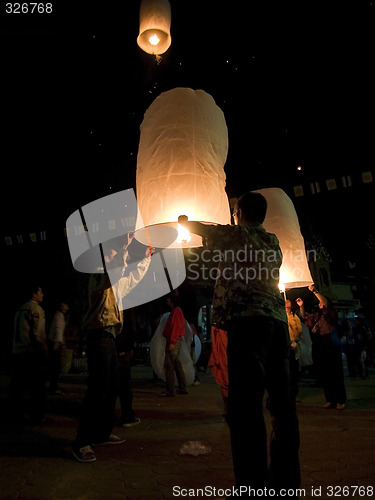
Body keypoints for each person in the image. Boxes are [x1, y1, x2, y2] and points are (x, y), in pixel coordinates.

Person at [178, 191, 300, 495]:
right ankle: (286, 482)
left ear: (240, 212)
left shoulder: (237, 234)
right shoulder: (272, 241)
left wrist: (182, 221)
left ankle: (253, 485)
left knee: (245, 410)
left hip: (248, 326)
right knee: (282, 408)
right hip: (277, 327)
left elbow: (204, 230)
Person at [72, 233, 152, 463]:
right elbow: (116, 272)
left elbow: (130, 278)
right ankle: (82, 442)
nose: (113, 256)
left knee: (112, 386)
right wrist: (123, 249)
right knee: (97, 389)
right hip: (98, 336)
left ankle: (101, 433)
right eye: (110, 252)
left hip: (110, 337)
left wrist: (145, 259)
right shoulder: (95, 275)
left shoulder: (113, 281)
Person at [296, 285, 346, 410]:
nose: (319, 303)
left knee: (336, 372)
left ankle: (340, 400)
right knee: (325, 372)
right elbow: (305, 317)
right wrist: (301, 306)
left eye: (321, 302)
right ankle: (330, 399)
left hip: (332, 342)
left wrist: (315, 291)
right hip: (320, 343)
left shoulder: (329, 313)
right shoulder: (317, 315)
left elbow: (325, 303)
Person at [9, 282, 49, 425]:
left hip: (17, 352)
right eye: (40, 292)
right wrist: (44, 351)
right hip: (31, 353)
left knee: (18, 387)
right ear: (34, 294)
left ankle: (16, 414)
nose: (42, 294)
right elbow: (37, 335)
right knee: (37, 387)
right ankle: (37, 416)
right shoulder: (36, 309)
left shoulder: (20, 309)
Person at [159, 291, 188, 397]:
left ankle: (171, 390)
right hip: (176, 340)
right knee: (176, 364)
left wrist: (172, 342)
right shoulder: (176, 311)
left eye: (168, 298)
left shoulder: (176, 311)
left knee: (169, 365)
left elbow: (175, 328)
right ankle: (182, 388)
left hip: (174, 341)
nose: (167, 300)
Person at [115, 308, 141, 427]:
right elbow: (131, 328)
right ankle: (127, 416)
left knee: (113, 385)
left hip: (113, 347)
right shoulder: (125, 308)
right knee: (124, 385)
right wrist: (129, 347)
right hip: (121, 349)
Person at [48, 301, 69, 395]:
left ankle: (53, 386)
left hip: (56, 342)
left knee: (55, 367)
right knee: (55, 367)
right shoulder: (59, 316)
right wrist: (58, 343)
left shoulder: (60, 316)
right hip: (55, 343)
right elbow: (58, 330)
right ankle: (53, 387)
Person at [285, 299, 303, 402]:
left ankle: (294, 394)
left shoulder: (294, 317)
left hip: (293, 346)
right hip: (284, 346)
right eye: (285, 301)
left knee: (293, 371)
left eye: (288, 301)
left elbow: (299, 331)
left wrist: (294, 339)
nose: (286, 302)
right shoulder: (281, 314)